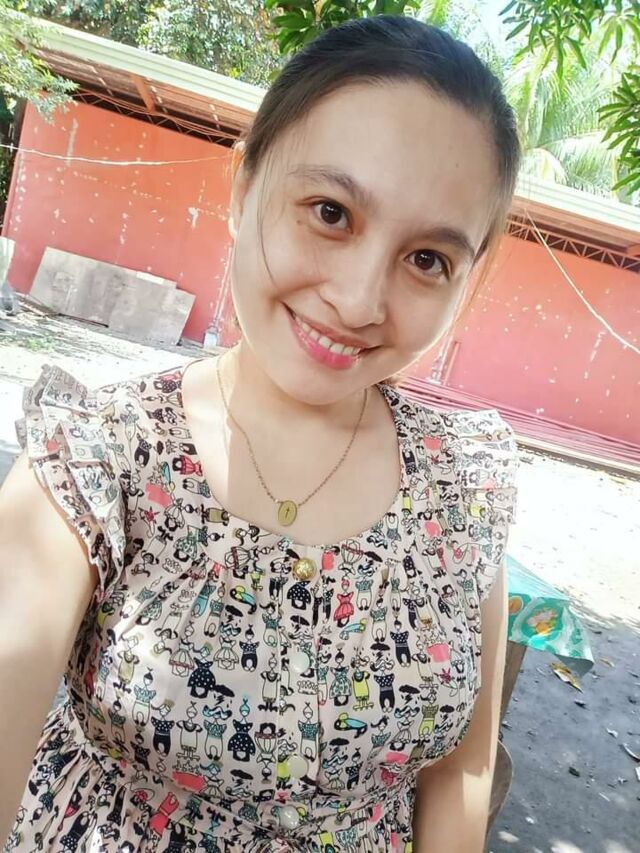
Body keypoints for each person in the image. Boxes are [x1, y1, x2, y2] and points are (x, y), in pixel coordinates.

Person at [0, 14, 521, 853]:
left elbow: (461, 771)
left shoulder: (467, 486)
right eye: (330, 212)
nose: (359, 300)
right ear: (244, 189)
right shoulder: (99, 459)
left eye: (427, 259)